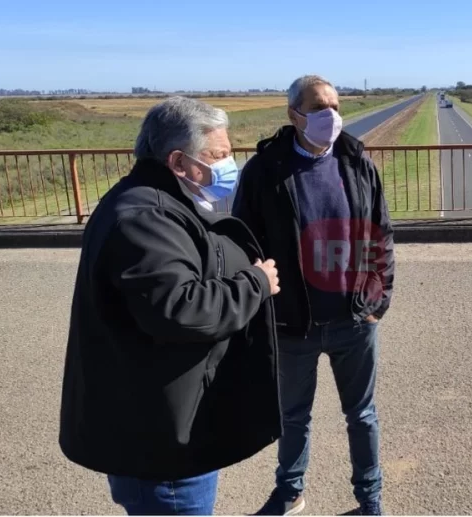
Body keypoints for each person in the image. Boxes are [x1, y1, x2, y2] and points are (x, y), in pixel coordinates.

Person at [59, 96, 283, 515]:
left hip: (169, 422)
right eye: (219, 155)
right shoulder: (145, 217)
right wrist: (255, 283)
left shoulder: (155, 201)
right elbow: (181, 309)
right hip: (159, 445)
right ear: (179, 162)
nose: (229, 164)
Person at [232, 75, 395, 516]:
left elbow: (381, 234)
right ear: (294, 114)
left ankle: (369, 499)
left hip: (355, 320)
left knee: (361, 418)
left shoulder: (356, 161)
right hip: (292, 324)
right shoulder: (265, 169)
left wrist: (379, 300)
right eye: (320, 107)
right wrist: (260, 305)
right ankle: (290, 493)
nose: (331, 116)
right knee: (292, 418)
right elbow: (242, 244)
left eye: (335, 106)